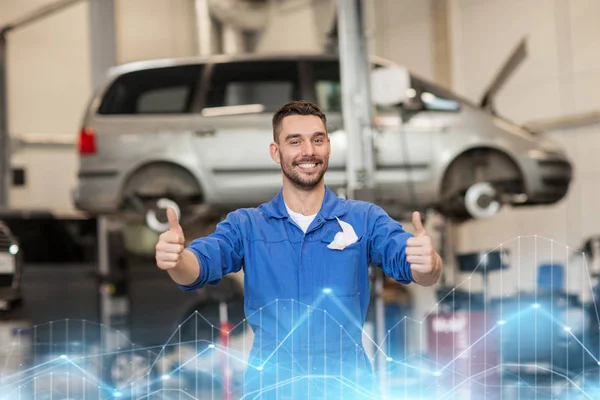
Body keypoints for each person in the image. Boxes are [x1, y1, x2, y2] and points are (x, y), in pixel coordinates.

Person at [155, 100, 443, 399]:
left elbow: (421, 270)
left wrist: (428, 262)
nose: (308, 151)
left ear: (328, 146)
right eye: (295, 141)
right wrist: (177, 259)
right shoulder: (248, 225)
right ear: (275, 152)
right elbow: (199, 267)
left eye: (317, 140)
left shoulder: (364, 219)